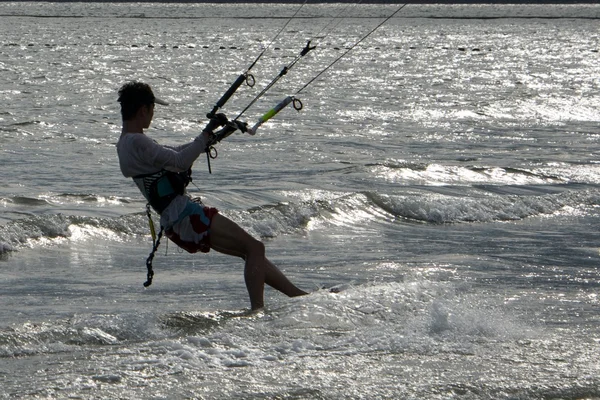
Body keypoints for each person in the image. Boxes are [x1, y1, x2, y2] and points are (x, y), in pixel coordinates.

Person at [115, 81, 307, 310]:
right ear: (143, 110)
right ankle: (257, 311)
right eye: (153, 109)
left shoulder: (126, 144)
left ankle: (299, 297)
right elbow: (180, 161)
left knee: (251, 253)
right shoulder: (137, 141)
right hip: (185, 214)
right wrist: (206, 132)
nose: (153, 114)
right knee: (255, 248)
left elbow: (175, 152)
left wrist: (209, 137)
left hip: (176, 221)